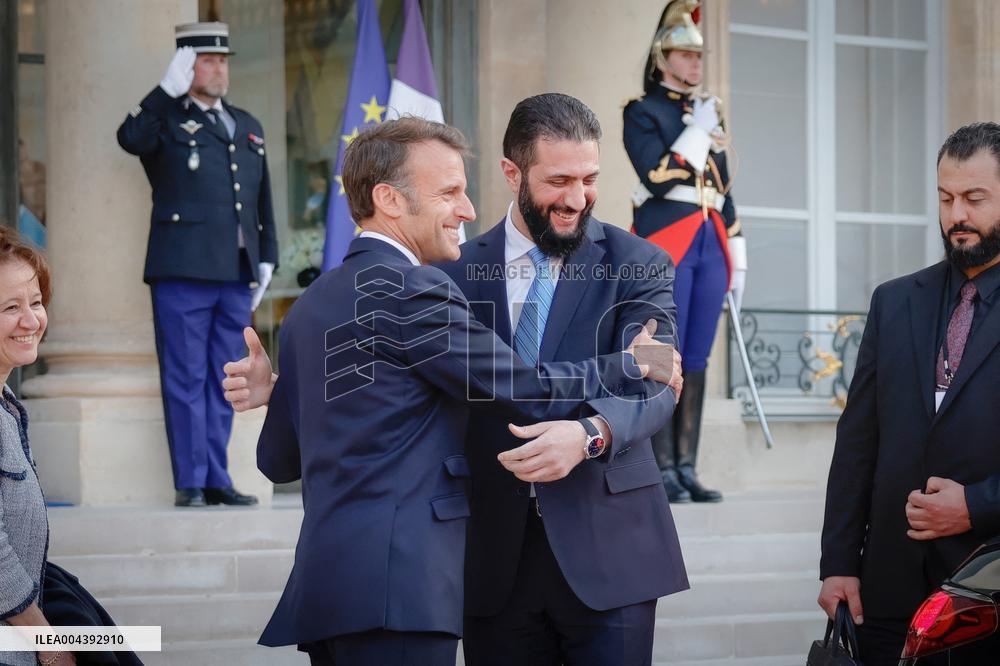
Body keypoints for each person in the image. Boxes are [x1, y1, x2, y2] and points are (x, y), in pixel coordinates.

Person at [240, 117, 675, 665]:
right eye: (448, 192)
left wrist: (288, 396)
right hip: (419, 582)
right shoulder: (427, 280)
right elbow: (527, 388)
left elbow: (279, 460)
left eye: (589, 179)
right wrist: (629, 363)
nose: (465, 209)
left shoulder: (309, 306)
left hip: (335, 589)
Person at [443, 94, 687, 666]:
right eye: (558, 181)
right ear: (512, 173)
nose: (576, 199)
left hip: (612, 549)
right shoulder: (452, 269)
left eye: (589, 179)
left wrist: (590, 434)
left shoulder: (640, 262)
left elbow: (656, 383)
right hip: (491, 556)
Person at [817, 122, 1000, 666]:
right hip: (885, 595)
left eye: (974, 199)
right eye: (945, 198)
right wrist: (838, 563)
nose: (956, 215)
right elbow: (858, 443)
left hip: (988, 596)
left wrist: (976, 506)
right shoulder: (893, 301)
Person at [116, 22, 278, 507]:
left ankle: (216, 477)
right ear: (186, 66)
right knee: (185, 376)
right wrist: (163, 92)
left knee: (225, 377)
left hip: (236, 271)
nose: (219, 69)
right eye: (207, 61)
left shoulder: (246, 123)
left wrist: (267, 255)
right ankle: (190, 480)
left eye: (223, 61)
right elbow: (130, 138)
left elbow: (262, 200)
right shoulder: (165, 118)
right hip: (183, 270)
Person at [623, 0, 746, 504]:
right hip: (667, 236)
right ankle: (660, 465)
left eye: (699, 57)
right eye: (686, 55)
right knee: (660, 349)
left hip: (709, 238)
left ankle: (686, 466)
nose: (696, 64)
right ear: (662, 58)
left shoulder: (704, 113)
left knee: (696, 354)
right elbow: (656, 175)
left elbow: (723, 188)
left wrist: (737, 248)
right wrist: (697, 132)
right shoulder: (642, 111)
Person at [0, 228, 141, 666]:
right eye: (10, 308)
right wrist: (50, 643)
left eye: (35, 302)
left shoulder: (8, 406)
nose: (31, 321)